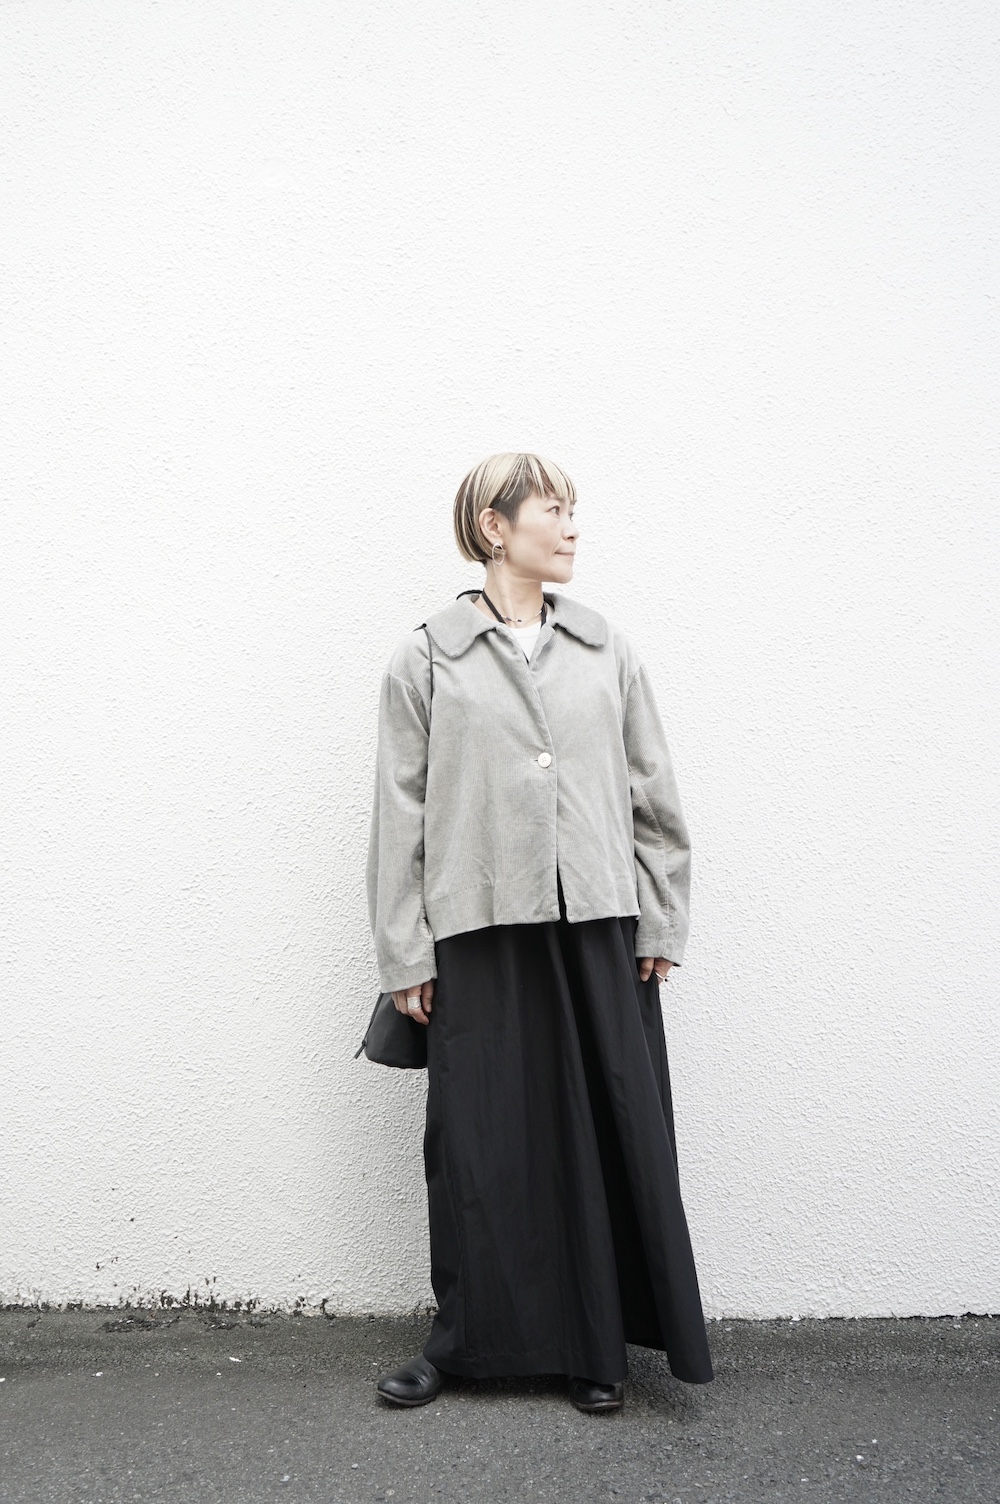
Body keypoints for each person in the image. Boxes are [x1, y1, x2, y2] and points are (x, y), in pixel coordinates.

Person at [365, 452, 713, 1413]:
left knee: (603, 1130)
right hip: (478, 927)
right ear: (494, 526)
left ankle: (595, 1349)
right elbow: (399, 812)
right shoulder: (427, 658)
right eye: (552, 509)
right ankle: (464, 1343)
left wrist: (662, 915)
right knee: (479, 1145)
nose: (570, 527)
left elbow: (653, 792)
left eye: (571, 510)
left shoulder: (606, 649)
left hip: (597, 921)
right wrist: (405, 949)